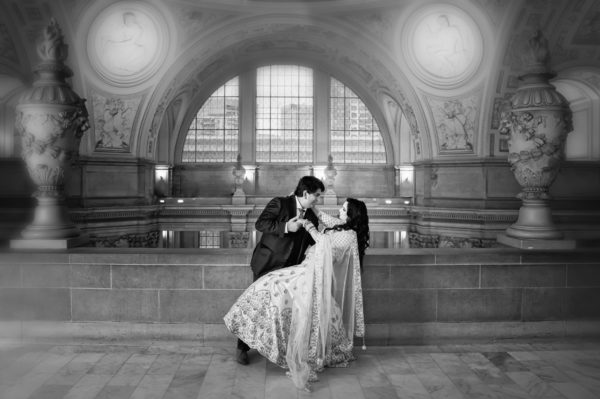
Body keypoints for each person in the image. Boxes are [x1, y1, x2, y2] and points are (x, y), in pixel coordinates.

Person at [224, 198, 370, 391]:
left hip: (312, 274)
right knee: (270, 288)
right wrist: (313, 206)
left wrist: (308, 226)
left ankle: (288, 349)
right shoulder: (342, 226)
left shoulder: (349, 235)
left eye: (344, 209)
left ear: (352, 215)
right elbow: (325, 218)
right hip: (304, 268)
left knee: (275, 287)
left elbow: (323, 243)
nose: (340, 211)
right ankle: (248, 337)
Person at [234, 176, 325, 365]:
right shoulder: (280, 203)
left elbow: (315, 238)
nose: (318, 199)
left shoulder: (311, 215)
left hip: (291, 271)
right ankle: (241, 348)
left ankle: (278, 349)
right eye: (316, 195)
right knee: (256, 306)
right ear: (306, 193)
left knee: (283, 310)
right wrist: (286, 226)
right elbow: (261, 224)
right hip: (267, 263)